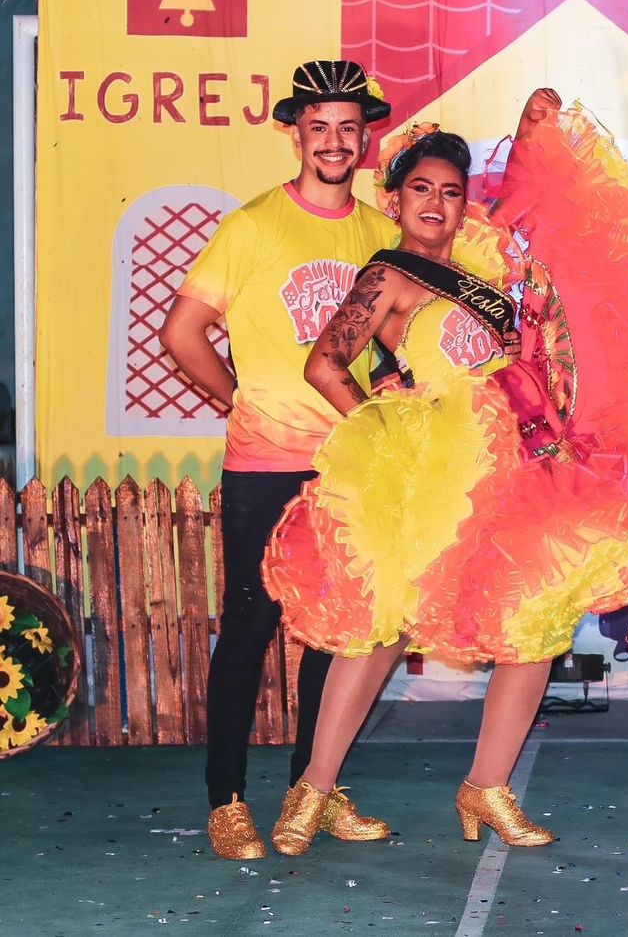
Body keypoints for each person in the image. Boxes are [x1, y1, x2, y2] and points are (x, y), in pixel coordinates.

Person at [261, 98, 628, 855]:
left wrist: (532, 131)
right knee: (382, 627)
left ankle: (487, 788)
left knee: (536, 613)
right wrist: (386, 431)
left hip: (511, 463)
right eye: (421, 188)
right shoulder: (387, 274)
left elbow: (533, 223)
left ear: (465, 204)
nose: (436, 202)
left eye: (451, 191)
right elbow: (325, 365)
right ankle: (314, 792)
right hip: (433, 470)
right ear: (395, 198)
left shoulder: (482, 274)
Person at [161, 60, 395, 860]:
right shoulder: (253, 226)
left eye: (347, 128)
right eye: (318, 126)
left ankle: (311, 790)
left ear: (364, 140)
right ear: (296, 134)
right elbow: (182, 333)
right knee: (251, 625)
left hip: (347, 467)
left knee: (335, 631)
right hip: (265, 464)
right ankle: (226, 801)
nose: (333, 141)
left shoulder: (378, 234)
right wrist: (239, 399)